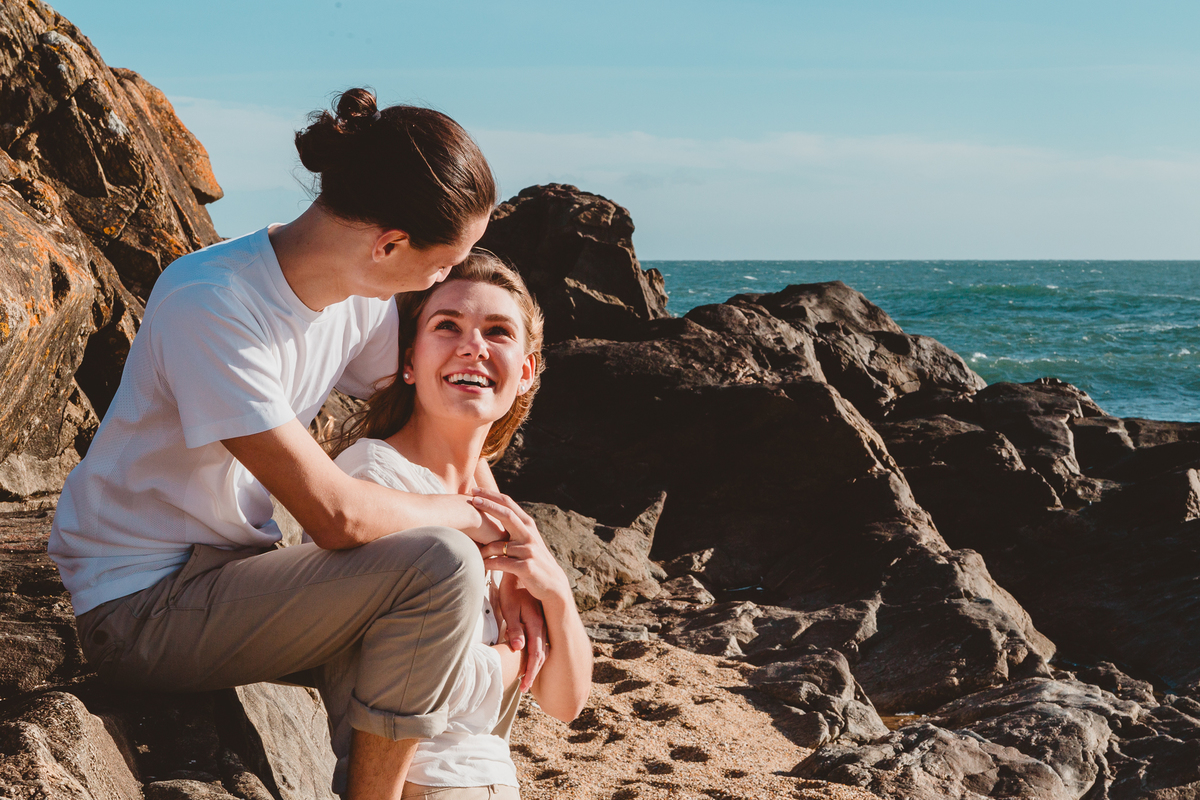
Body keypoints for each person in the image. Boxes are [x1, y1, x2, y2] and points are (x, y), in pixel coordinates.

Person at [48, 88, 547, 799]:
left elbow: (430, 414)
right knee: (436, 566)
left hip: (235, 578)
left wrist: (513, 551)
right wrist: (469, 524)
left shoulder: (363, 299)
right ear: (389, 245)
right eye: (445, 265)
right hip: (141, 607)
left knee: (446, 588)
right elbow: (334, 517)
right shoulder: (213, 302)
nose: (443, 282)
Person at [327, 251, 591, 799]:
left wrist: (557, 595)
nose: (473, 345)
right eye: (447, 326)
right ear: (409, 361)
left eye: (498, 331)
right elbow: (410, 683)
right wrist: (517, 656)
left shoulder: (494, 512)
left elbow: (565, 703)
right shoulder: (374, 479)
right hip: (421, 784)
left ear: (525, 372)